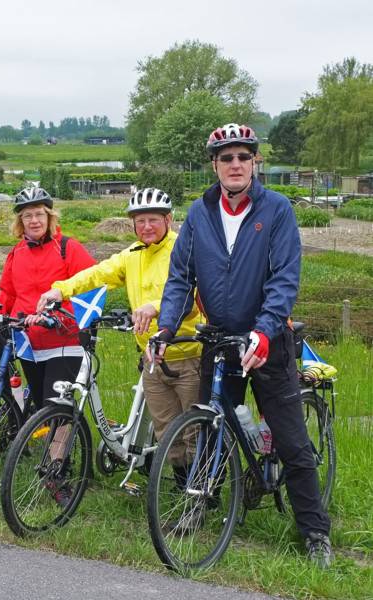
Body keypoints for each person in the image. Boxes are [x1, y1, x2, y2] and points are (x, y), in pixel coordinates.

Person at [148, 123, 332, 567]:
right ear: (214, 165)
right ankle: (198, 505)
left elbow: (285, 278)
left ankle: (315, 533)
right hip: (220, 340)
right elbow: (180, 277)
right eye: (226, 158)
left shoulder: (277, 209)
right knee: (214, 430)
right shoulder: (199, 213)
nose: (235, 165)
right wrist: (168, 327)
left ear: (254, 163)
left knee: (291, 440)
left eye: (243, 157)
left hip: (267, 341)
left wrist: (265, 330)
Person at [37, 187, 202, 465]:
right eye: (140, 221)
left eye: (153, 219)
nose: (146, 226)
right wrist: (61, 290)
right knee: (166, 432)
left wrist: (157, 307)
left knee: (195, 432)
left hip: (189, 355)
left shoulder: (184, 249)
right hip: (152, 359)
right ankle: (178, 492)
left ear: (169, 219)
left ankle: (204, 494)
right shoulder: (132, 255)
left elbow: (195, 293)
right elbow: (98, 273)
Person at [0, 186, 96, 414]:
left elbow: (92, 289)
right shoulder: (17, 253)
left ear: (49, 217)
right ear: (21, 221)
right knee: (40, 407)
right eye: (28, 215)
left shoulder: (69, 248)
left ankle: (58, 451)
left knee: (56, 408)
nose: (34, 220)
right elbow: (8, 297)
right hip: (29, 344)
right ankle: (48, 448)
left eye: (39, 214)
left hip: (64, 342)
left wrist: (56, 316)